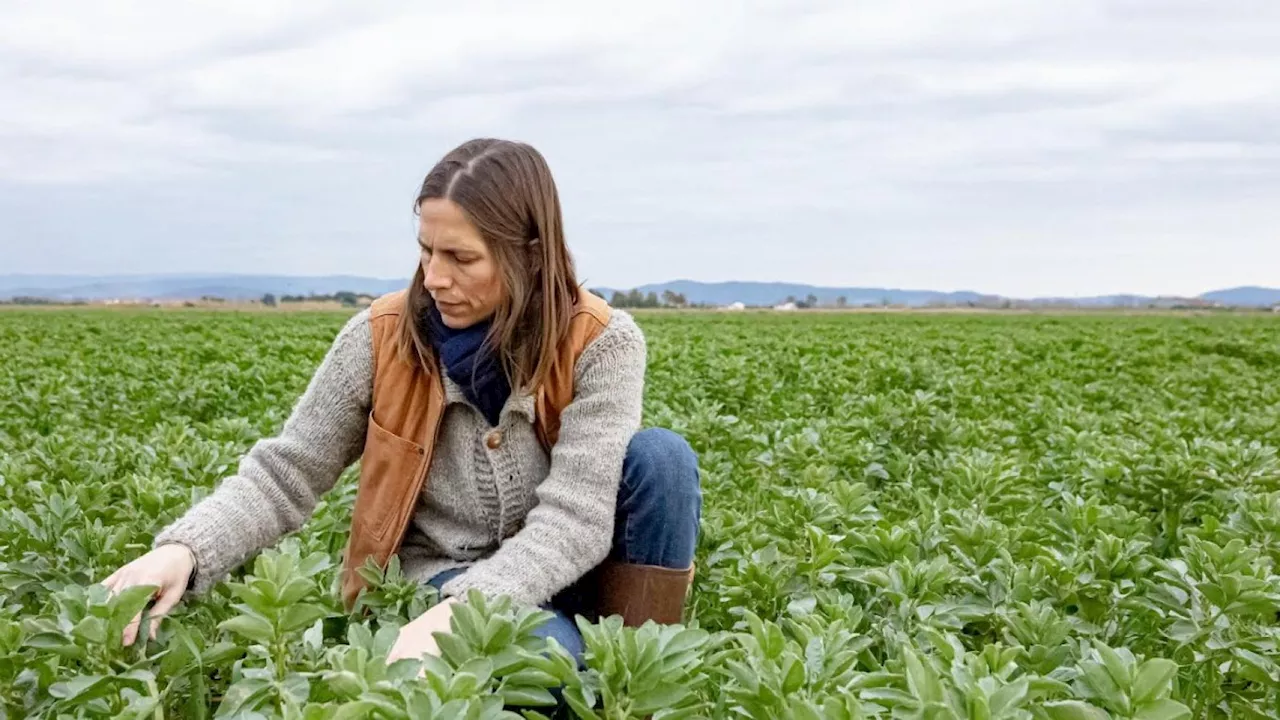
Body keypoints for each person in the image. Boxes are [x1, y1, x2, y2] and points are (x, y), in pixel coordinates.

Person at [100, 138, 703, 665]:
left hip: (568, 577)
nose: (435, 277)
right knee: (542, 662)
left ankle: (636, 670)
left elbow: (578, 516)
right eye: (426, 251)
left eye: (461, 258)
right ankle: (583, 675)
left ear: (531, 253)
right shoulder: (383, 335)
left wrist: (478, 606)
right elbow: (287, 472)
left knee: (662, 459)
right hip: (435, 581)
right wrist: (186, 549)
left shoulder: (601, 341)